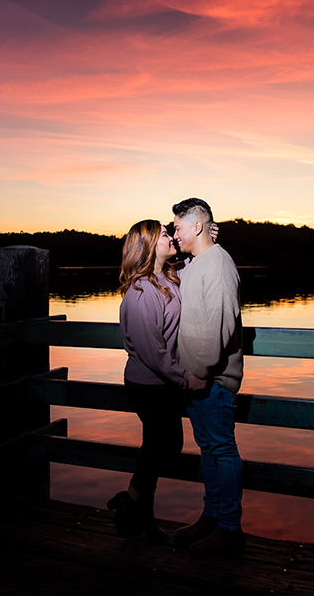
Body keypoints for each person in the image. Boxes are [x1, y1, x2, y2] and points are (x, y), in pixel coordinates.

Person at [107, 218, 217, 543]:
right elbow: (153, 353)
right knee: (165, 446)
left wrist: (204, 234)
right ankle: (129, 506)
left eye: (170, 232)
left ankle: (139, 517)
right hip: (148, 384)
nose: (170, 237)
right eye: (164, 234)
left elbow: (196, 262)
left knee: (156, 447)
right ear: (147, 246)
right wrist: (186, 378)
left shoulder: (168, 277)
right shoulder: (141, 294)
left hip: (162, 383)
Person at [171, 198, 245, 555]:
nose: (174, 233)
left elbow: (221, 322)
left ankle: (230, 527)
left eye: (179, 227)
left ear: (196, 226)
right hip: (196, 379)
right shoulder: (198, 262)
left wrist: (200, 370)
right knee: (208, 450)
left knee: (222, 450)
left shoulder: (218, 264)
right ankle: (211, 517)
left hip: (212, 380)